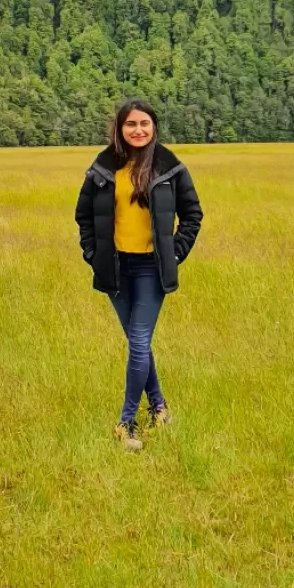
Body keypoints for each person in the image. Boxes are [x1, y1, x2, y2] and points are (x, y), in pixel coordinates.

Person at [75, 99, 203, 452]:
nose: (138, 130)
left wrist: (174, 253)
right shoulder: (102, 168)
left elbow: (192, 215)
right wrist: (93, 254)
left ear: (154, 127)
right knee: (138, 343)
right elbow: (83, 216)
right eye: (131, 124)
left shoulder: (169, 167)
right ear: (119, 129)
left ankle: (126, 423)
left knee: (139, 341)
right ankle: (160, 408)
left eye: (144, 123)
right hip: (115, 268)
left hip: (151, 268)